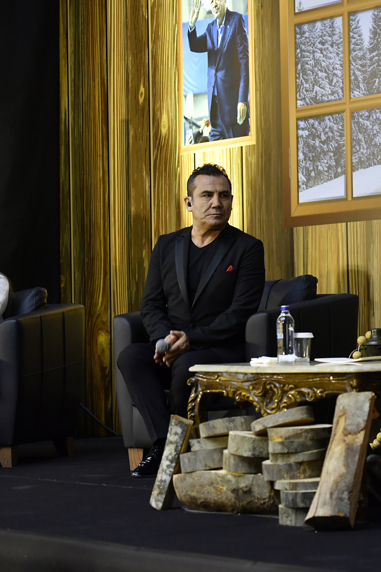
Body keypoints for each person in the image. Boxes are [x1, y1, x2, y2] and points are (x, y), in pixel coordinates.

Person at [117, 163, 265, 478]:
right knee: (130, 356)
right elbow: (151, 304)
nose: (217, 203)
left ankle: (168, 452)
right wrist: (165, 340)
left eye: (224, 196)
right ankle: (165, 444)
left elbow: (240, 312)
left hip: (220, 347)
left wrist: (191, 340)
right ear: (189, 202)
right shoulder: (166, 245)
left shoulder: (247, 248)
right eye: (207, 195)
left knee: (187, 364)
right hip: (175, 346)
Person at [187, 0, 249, 141]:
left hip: (234, 111)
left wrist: (242, 100)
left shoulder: (236, 20)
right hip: (215, 115)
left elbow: (244, 64)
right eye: (211, 1)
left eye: (217, 0)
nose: (214, 4)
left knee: (238, 152)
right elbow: (194, 45)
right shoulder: (211, 28)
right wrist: (192, 25)